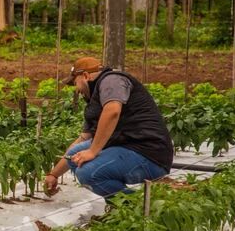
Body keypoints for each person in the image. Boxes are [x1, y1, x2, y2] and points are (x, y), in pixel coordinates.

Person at [44, 57, 173, 199]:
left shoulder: (112, 80)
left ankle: (137, 208)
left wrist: (93, 151)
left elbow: (112, 111)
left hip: (148, 154)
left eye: (75, 83)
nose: (76, 89)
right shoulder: (95, 100)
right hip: (127, 145)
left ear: (85, 76)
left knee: (88, 174)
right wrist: (53, 174)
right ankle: (119, 206)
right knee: (75, 153)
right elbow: (82, 139)